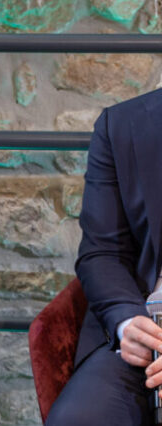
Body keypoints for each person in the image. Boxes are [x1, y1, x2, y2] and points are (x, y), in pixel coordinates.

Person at [46, 89, 162, 425]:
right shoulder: (122, 124)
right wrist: (128, 323)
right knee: (78, 419)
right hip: (146, 330)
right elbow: (102, 252)